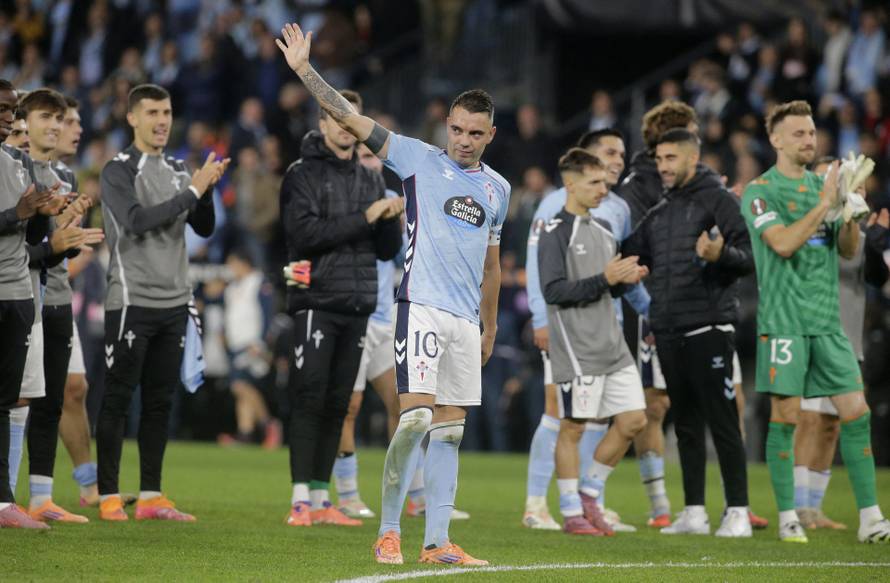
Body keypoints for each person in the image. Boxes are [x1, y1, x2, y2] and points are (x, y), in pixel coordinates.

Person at [278, 22, 508, 565]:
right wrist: (305, 71)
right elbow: (349, 118)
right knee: (415, 420)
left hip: (464, 321)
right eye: (456, 129)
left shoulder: (498, 190)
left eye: (474, 133)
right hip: (420, 308)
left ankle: (437, 542)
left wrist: (490, 327)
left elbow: (493, 268)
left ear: (490, 136)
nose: (463, 140)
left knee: (450, 434)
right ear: (445, 125)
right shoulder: (414, 157)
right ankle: (386, 530)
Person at [741, 100, 890, 543]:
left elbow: (846, 251)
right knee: (786, 418)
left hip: (829, 324)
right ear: (776, 140)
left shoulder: (823, 186)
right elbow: (783, 243)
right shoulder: (760, 191)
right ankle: (788, 515)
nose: (810, 140)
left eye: (812, 133)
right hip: (785, 322)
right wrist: (825, 201)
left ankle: (871, 518)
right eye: (800, 134)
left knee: (856, 413)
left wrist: (847, 213)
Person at [96, 83, 228, 522]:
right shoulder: (117, 170)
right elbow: (135, 222)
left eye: (167, 112)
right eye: (152, 112)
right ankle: (109, 494)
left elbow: (204, 228)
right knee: (118, 399)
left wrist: (205, 190)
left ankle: (151, 496)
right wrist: (192, 191)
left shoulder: (177, 168)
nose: (162, 120)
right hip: (132, 301)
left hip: (174, 301)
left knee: (159, 402)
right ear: (132, 117)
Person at [279, 89, 403, 529]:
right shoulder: (301, 173)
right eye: (337, 116)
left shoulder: (371, 178)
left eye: (352, 116)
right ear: (324, 123)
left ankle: (321, 496)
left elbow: (386, 252)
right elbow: (303, 236)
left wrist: (392, 221)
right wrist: (368, 218)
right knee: (309, 397)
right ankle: (299, 501)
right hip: (315, 301)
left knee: (336, 404)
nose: (345, 124)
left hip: (358, 303)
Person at [627, 128, 754, 537]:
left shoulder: (718, 199)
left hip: (709, 325)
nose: (663, 166)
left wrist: (721, 255)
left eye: (670, 159)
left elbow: (750, 257)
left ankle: (738, 511)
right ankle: (695, 512)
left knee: (722, 421)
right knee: (684, 423)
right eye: (659, 160)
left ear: (691, 157)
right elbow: (630, 250)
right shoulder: (662, 210)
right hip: (668, 328)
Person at [523, 128, 651, 532]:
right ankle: (564, 510)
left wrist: (633, 286)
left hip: (611, 339)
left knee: (632, 420)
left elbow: (612, 279)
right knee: (571, 423)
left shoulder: (608, 226)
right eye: (595, 179)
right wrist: (604, 279)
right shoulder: (553, 226)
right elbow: (553, 288)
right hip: (574, 342)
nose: (604, 185)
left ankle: (589, 494)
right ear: (573, 182)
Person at [19, 88, 102, 523]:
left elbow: (55, 251)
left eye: (60, 118)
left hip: (54, 298)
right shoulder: (14, 168)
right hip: (19, 295)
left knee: (51, 396)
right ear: (26, 123)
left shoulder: (65, 179)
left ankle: (42, 497)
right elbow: (22, 247)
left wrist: (69, 235)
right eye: (48, 118)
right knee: (17, 398)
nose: (56, 126)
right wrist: (54, 239)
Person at [0, 77, 60, 528]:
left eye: (13, 108)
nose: (10, 116)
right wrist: (15, 215)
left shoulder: (19, 163)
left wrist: (40, 217)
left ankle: (3, 503)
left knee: (4, 402)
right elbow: (11, 221)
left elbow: (31, 238)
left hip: (20, 295)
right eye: (4, 108)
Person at [332, 142, 402, 519]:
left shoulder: (393, 198)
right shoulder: (343, 197)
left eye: (374, 155)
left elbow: (401, 254)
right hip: (354, 315)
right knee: (350, 407)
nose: (370, 162)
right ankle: (347, 493)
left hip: (384, 318)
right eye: (363, 156)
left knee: (405, 406)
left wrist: (401, 221)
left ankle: (412, 492)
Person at [217, 248, 280, 449]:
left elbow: (268, 313)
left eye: (233, 264)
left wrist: (261, 342)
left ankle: (268, 424)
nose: (230, 269)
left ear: (244, 263)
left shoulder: (259, 282)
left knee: (240, 387)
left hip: (252, 345)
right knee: (244, 390)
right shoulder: (231, 288)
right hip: (236, 345)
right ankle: (245, 434)